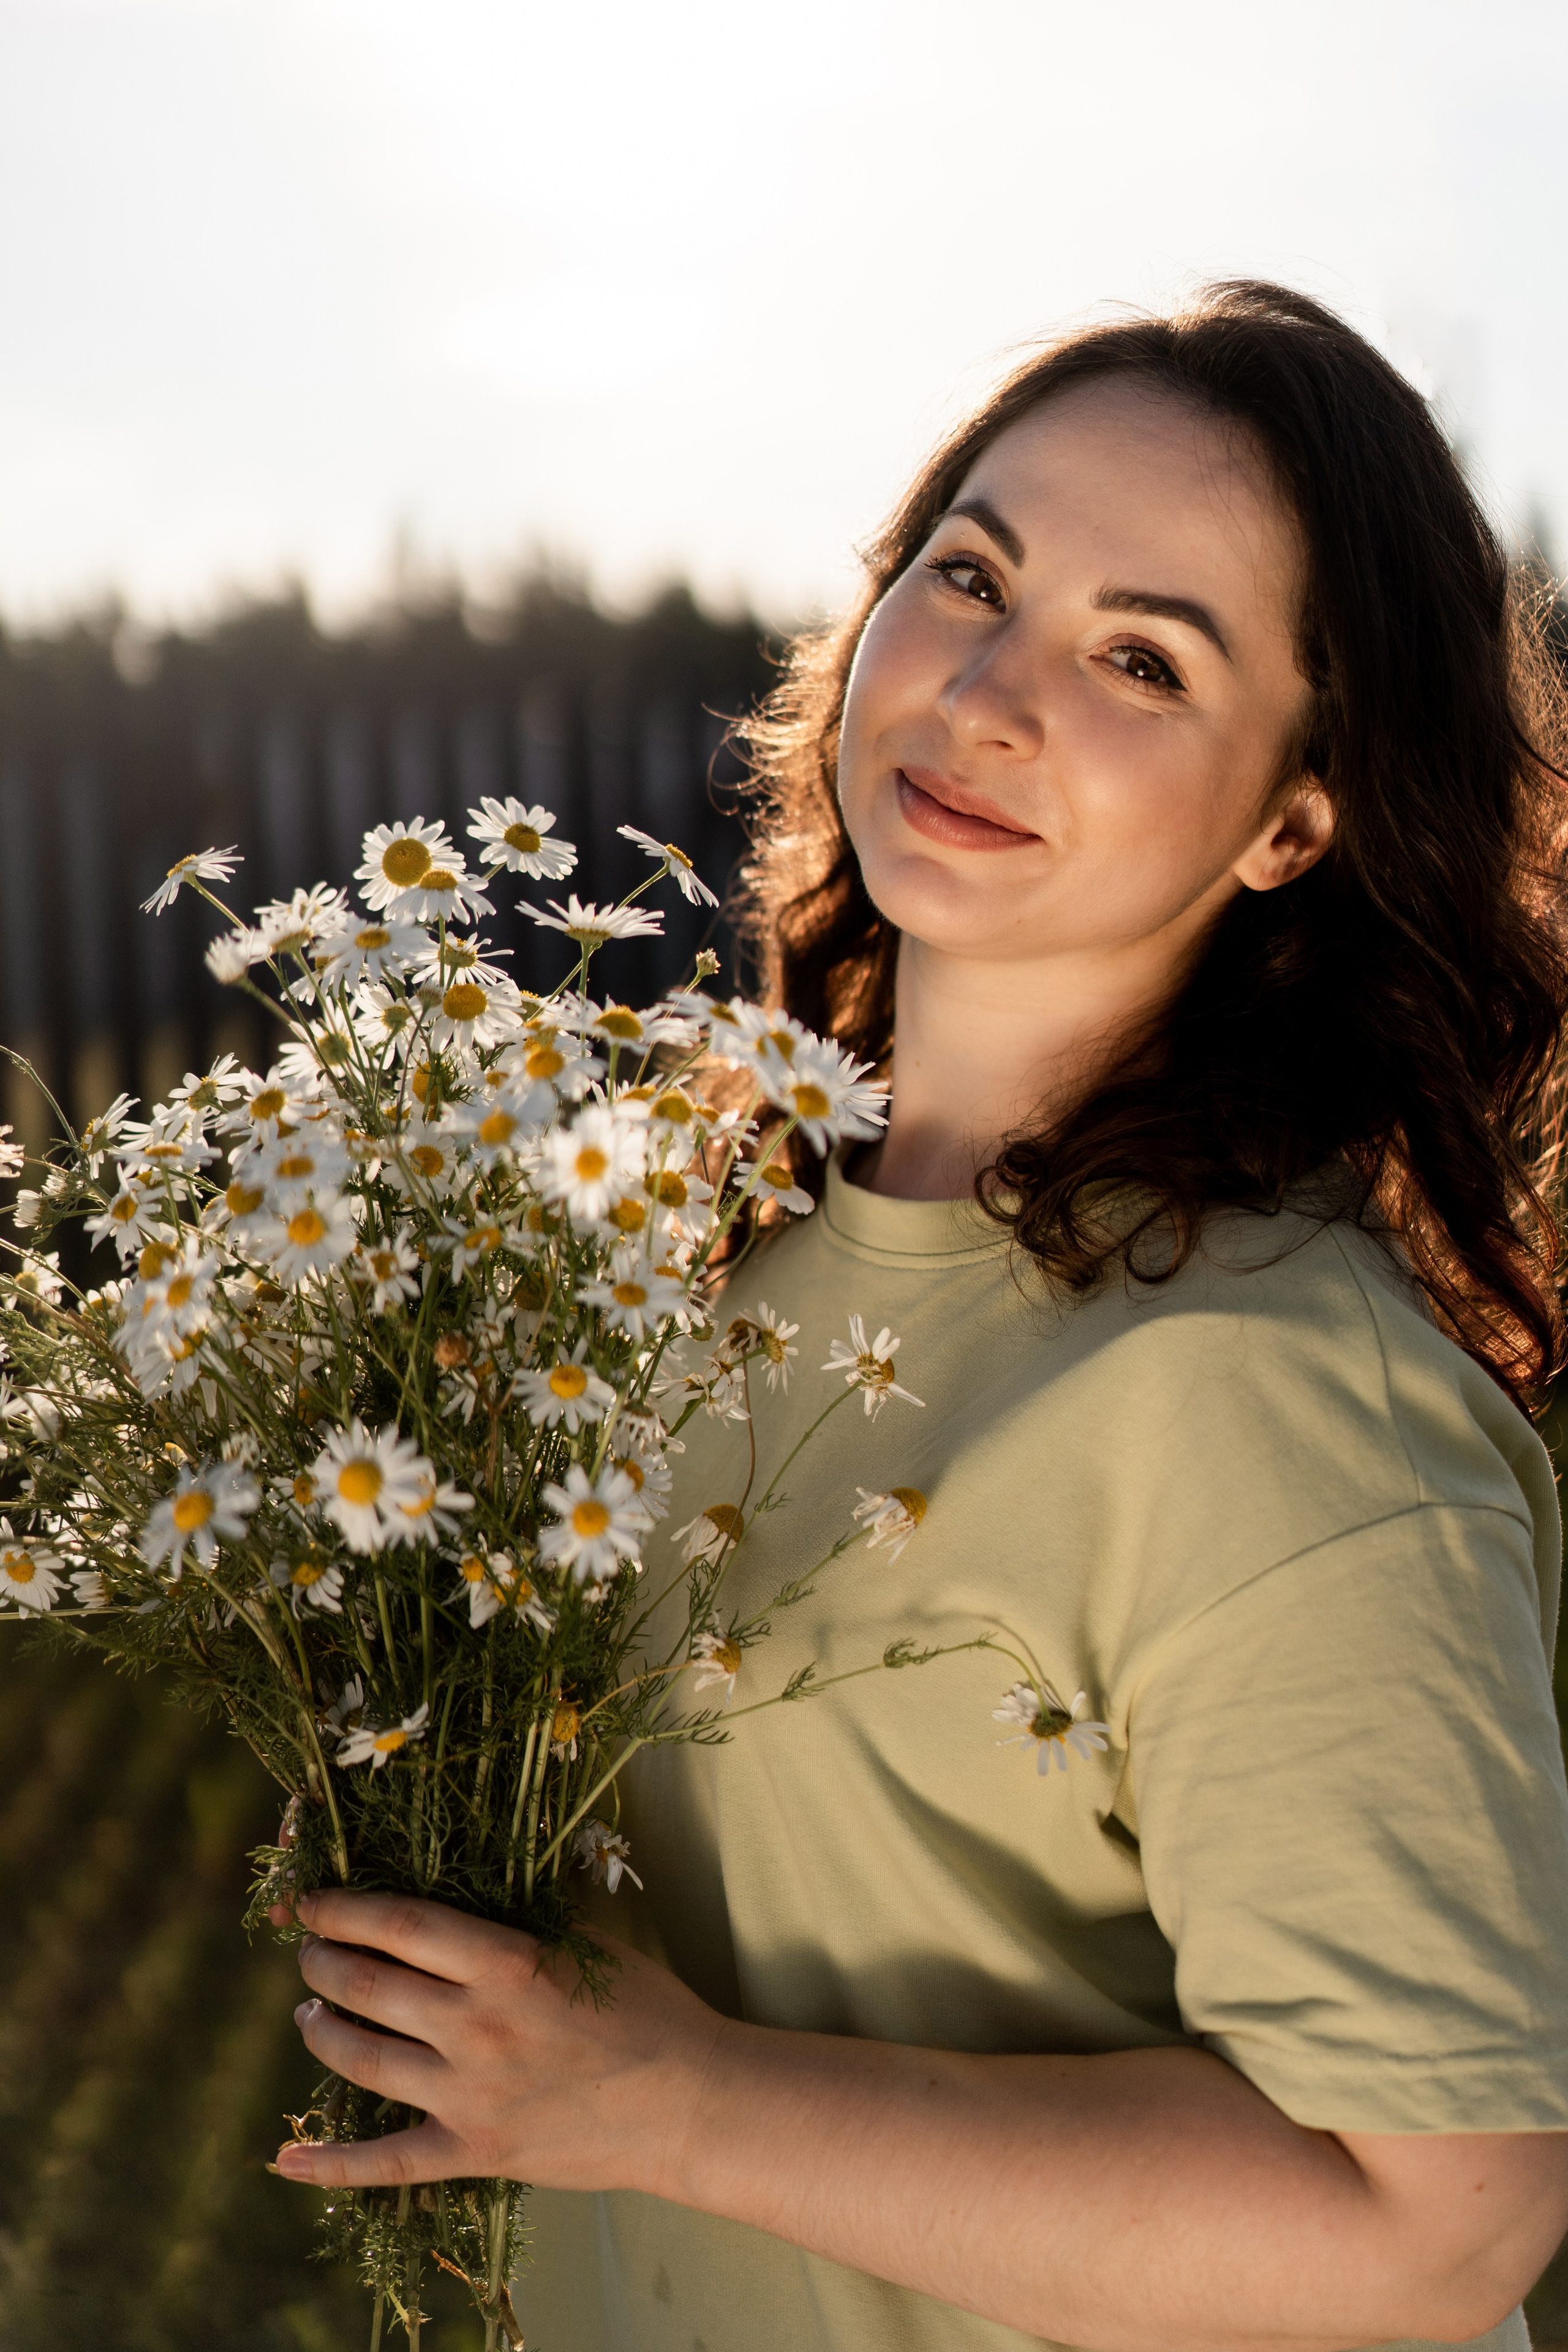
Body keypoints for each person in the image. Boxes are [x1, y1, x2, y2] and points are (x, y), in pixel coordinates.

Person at [273, 282, 1568, 2352]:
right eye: (971, 574)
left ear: (1294, 822)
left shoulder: (1272, 1395)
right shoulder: (694, 1257)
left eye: (1142, 658)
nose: (986, 692)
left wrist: (666, 2106)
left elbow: (1435, 2231)